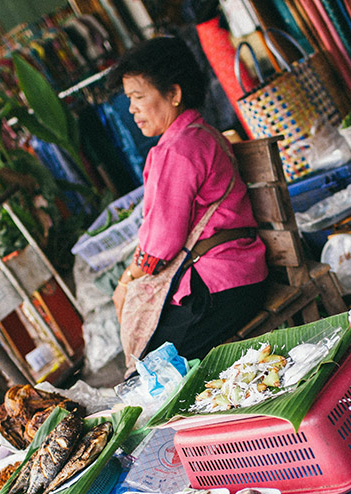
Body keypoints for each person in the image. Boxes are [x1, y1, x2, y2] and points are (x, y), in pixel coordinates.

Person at [110, 36, 267, 362]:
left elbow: (161, 245)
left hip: (223, 288)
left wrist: (127, 280)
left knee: (150, 364)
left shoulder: (180, 149)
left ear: (174, 94)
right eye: (129, 99)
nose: (132, 109)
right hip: (235, 275)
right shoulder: (199, 133)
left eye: (139, 97)